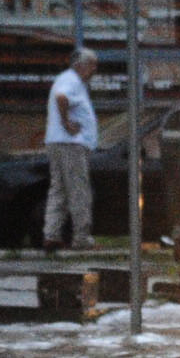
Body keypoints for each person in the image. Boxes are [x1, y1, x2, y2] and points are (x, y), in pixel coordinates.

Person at [45, 49, 101, 251]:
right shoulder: (71, 81)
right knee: (79, 190)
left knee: (59, 189)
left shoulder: (69, 80)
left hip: (58, 142)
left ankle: (51, 234)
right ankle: (81, 237)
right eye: (92, 65)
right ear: (81, 65)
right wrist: (67, 122)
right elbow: (62, 98)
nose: (95, 70)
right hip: (70, 144)